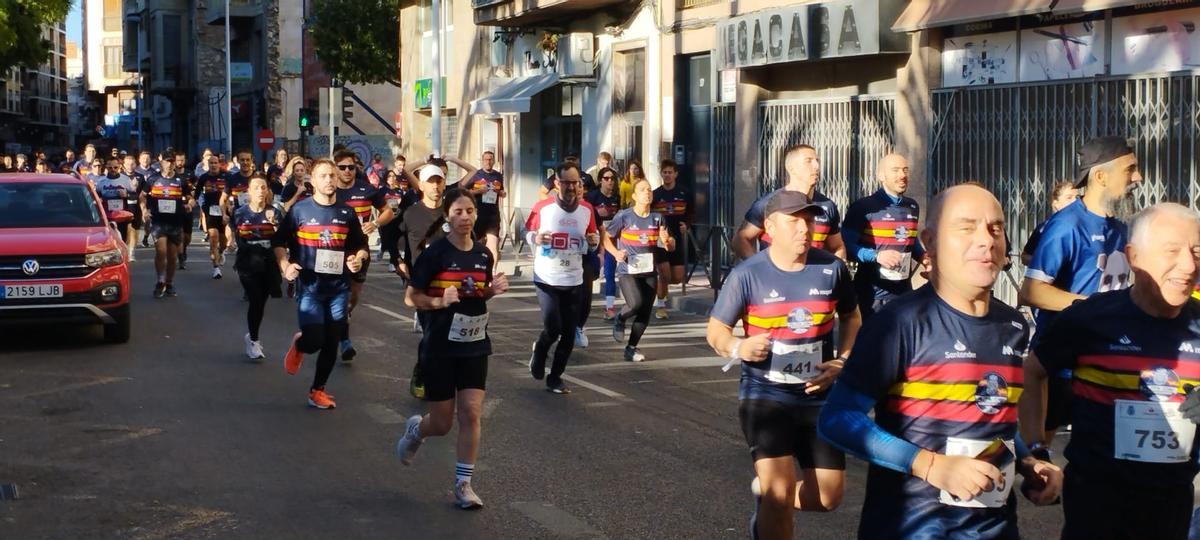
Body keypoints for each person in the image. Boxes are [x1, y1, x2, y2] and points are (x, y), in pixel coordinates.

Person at [818, 183, 1062, 539]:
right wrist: (932, 467)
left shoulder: (1012, 325)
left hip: (995, 528)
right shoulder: (898, 323)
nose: (986, 240)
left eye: (996, 228)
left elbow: (995, 418)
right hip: (912, 529)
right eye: (966, 227)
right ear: (929, 243)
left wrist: (1028, 462)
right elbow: (837, 419)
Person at [1021, 202, 1200, 539]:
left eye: (1197, 250)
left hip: (1172, 504)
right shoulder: (1091, 318)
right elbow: (1032, 372)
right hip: (1097, 503)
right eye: (1172, 251)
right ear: (1133, 257)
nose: (1189, 265)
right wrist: (1035, 449)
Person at [706, 190, 860, 539]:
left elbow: (852, 317)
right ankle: (772, 503)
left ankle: (770, 497)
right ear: (770, 228)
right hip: (766, 395)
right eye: (794, 221)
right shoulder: (748, 274)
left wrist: (843, 361)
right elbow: (716, 330)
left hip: (819, 396)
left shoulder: (831, 268)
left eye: (808, 220)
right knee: (780, 490)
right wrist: (737, 346)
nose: (804, 229)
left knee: (829, 496)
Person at [1019, 136, 1140, 450]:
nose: (1138, 179)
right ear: (1100, 176)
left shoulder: (1121, 229)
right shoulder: (1066, 226)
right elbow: (1031, 291)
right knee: (1047, 441)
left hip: (1108, 356)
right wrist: (1092, 307)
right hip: (1061, 359)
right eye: (1131, 170)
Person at [394, 187, 510, 510]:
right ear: (447, 216)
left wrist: (492, 291)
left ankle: (463, 484)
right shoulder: (435, 253)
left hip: (474, 343)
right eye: (457, 212)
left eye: (469, 211)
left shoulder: (483, 255)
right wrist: (437, 300)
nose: (464, 217)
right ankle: (417, 429)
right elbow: (410, 298)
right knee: (442, 423)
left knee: (471, 412)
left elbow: (476, 293)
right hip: (440, 345)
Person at [275, 159, 369, 409]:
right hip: (310, 287)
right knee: (315, 339)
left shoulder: (347, 212)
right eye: (323, 176)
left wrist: (357, 259)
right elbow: (278, 242)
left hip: (339, 288)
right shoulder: (300, 211)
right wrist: (285, 266)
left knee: (332, 340)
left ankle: (317, 391)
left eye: (332, 175)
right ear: (312, 181)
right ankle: (301, 343)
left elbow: (361, 246)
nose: (329, 180)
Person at [525, 162, 599, 394]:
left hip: (574, 277)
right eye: (566, 182)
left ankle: (555, 377)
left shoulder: (587, 209)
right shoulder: (543, 207)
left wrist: (593, 243)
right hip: (547, 277)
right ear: (557, 183)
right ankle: (540, 351)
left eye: (575, 183)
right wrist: (535, 238)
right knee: (553, 327)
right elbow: (526, 231)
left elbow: (592, 238)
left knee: (568, 333)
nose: (571, 187)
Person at [842, 153, 925, 320]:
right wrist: (876, 256)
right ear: (881, 176)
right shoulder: (864, 207)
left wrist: (924, 257)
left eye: (905, 170)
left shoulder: (912, 206)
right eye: (895, 170)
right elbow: (846, 246)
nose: (902, 175)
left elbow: (910, 240)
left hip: (904, 293)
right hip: (872, 296)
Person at [333, 149, 397, 362]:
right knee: (340, 295)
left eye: (351, 167)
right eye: (342, 167)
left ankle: (344, 316)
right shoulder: (330, 191)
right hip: (334, 249)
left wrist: (375, 223)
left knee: (353, 296)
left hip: (359, 248)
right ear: (335, 168)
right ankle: (344, 341)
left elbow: (389, 211)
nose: (347, 171)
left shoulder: (366, 189)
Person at [733, 144, 846, 260]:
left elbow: (837, 246)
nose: (816, 166)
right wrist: (757, 269)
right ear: (792, 168)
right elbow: (741, 239)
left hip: (811, 276)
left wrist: (836, 272)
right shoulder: (769, 203)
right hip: (776, 277)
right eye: (808, 161)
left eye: (817, 161)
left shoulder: (828, 206)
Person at [606, 178, 674, 362]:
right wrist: (615, 253)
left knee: (645, 311)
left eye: (650, 189)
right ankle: (620, 318)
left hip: (649, 270)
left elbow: (669, 246)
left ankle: (631, 347)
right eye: (643, 190)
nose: (648, 192)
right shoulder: (624, 216)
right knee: (635, 303)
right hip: (628, 269)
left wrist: (667, 241)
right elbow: (607, 236)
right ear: (635, 196)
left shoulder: (658, 218)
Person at [397, 164, 449, 400]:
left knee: (448, 334)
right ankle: (421, 370)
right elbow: (395, 239)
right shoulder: (411, 213)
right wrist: (399, 261)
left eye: (439, 181)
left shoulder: (452, 212)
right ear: (421, 185)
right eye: (431, 181)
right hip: (423, 284)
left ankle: (441, 374)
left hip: (451, 282)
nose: (436, 186)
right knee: (432, 334)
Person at [233, 175, 284, 360]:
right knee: (254, 298)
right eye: (256, 188)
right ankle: (254, 341)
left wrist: (275, 225)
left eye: (263, 187)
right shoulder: (240, 212)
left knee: (261, 301)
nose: (261, 191)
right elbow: (235, 234)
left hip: (268, 262)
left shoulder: (275, 212)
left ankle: (252, 335)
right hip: (247, 261)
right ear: (249, 192)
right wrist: (232, 241)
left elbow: (281, 239)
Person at [139, 148, 194, 298]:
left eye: (171, 162)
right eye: (166, 162)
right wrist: (144, 210)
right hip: (158, 222)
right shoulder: (152, 179)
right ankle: (160, 280)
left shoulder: (181, 180)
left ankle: (169, 283)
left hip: (175, 222)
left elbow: (191, 198)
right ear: (161, 162)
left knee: (172, 256)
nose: (169, 165)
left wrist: (190, 205)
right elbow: (142, 196)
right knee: (161, 251)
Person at [650, 159, 691, 320]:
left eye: (670, 172)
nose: (667, 175)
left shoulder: (684, 193)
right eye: (664, 172)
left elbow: (692, 212)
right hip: (661, 240)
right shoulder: (656, 194)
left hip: (678, 239)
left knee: (677, 277)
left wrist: (686, 225)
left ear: (675, 174)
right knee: (664, 274)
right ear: (661, 174)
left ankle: (661, 291)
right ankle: (660, 305)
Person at [584, 167, 622, 321]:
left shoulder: (616, 197)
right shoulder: (592, 196)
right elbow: (586, 214)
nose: (610, 181)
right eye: (606, 178)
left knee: (609, 272)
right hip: (593, 239)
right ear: (600, 180)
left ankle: (609, 307)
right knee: (591, 272)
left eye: (612, 178)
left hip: (610, 238)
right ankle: (583, 301)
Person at [459, 150, 505, 262]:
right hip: (477, 214)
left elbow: (503, 193)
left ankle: (492, 273)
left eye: (490, 159)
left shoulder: (498, 176)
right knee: (475, 244)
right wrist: (478, 191)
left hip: (493, 215)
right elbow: (462, 191)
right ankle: (475, 267)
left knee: (493, 246)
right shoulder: (476, 174)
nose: (488, 162)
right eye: (486, 159)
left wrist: (499, 192)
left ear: (494, 161)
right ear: (482, 160)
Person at [1020, 180, 1078, 266]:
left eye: (1077, 197)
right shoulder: (1044, 229)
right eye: (1069, 198)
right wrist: (1045, 262)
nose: (1075, 201)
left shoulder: (1086, 227)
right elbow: (1025, 257)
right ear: (1056, 204)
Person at [195, 154, 229, 279]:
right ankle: (216, 268)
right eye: (211, 163)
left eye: (216, 163)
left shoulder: (226, 176)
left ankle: (221, 251)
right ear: (208, 165)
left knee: (224, 241)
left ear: (219, 164)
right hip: (210, 211)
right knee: (213, 238)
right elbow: (197, 193)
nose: (214, 165)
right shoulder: (204, 177)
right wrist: (202, 206)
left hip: (224, 211)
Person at [94, 158, 135, 261]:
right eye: (110, 167)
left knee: (122, 240)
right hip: (107, 216)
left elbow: (135, 197)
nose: (113, 169)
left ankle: (123, 259)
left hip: (122, 215)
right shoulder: (101, 181)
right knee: (110, 240)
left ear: (120, 167)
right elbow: (96, 197)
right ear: (106, 168)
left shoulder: (126, 179)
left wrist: (127, 195)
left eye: (115, 167)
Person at [173, 151, 195, 270]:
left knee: (187, 237)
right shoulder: (172, 175)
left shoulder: (190, 174)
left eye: (182, 160)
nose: (180, 163)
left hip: (187, 208)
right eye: (178, 160)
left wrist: (191, 202)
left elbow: (193, 193)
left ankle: (183, 249)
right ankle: (181, 258)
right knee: (180, 235)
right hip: (176, 209)